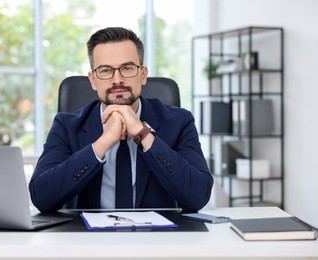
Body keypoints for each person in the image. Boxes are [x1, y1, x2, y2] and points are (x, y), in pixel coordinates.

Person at [29, 27, 213, 213]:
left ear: (143, 75)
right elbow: (42, 198)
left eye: (127, 68)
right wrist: (104, 141)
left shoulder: (179, 121)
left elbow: (198, 197)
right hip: (87, 239)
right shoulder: (67, 125)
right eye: (105, 70)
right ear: (93, 80)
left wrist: (143, 134)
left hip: (157, 238)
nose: (117, 80)